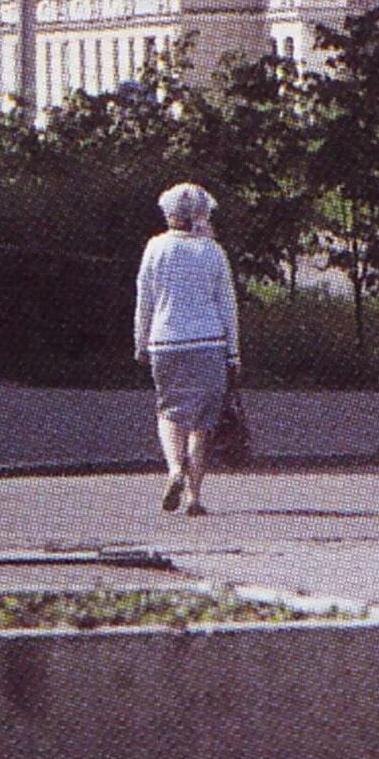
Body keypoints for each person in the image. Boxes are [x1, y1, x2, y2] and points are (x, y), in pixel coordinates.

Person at [133, 182, 241, 518]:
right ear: (200, 214)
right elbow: (228, 306)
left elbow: (144, 301)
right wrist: (234, 353)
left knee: (169, 412)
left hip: (165, 342)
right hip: (209, 343)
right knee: (202, 423)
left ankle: (174, 470)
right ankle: (194, 496)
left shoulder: (155, 248)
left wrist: (141, 342)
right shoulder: (212, 252)